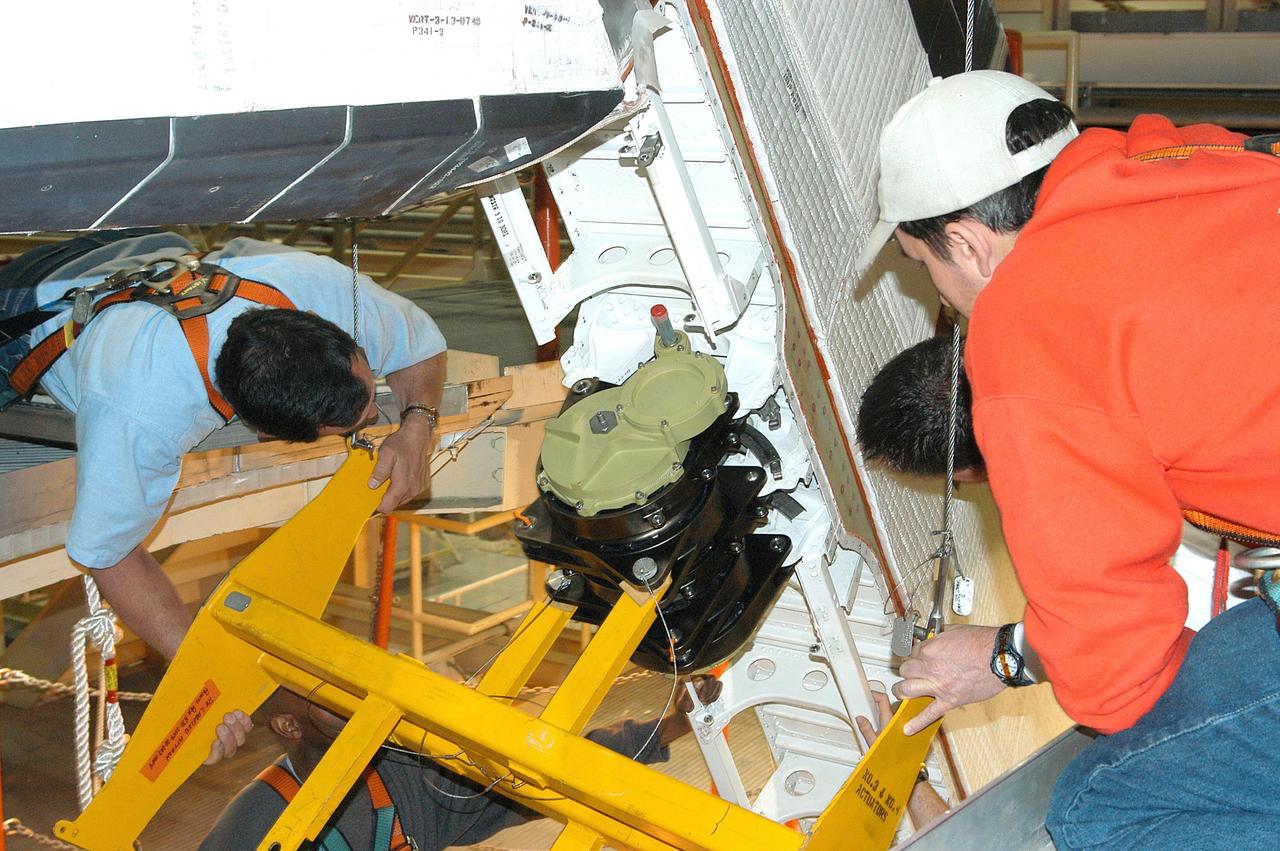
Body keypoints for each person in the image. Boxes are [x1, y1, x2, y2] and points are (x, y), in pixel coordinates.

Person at [854, 69, 1280, 847]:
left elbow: (1116, 677)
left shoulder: (1027, 325)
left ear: (973, 245)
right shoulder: (1173, 156)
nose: (943, 303)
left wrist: (1006, 655)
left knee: (1099, 804)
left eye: (926, 270)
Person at [0, 231, 447, 759]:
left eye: (369, 395)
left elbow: (421, 343)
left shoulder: (317, 288)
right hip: (28, 309)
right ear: (260, 433)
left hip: (130, 252)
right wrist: (207, 676)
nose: (375, 417)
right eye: (350, 423)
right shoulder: (142, 411)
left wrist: (419, 425)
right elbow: (109, 555)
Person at [200, 677, 722, 850]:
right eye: (323, 696)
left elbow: (556, 771)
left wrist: (671, 725)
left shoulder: (412, 780)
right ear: (288, 727)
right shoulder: (255, 818)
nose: (352, 699)